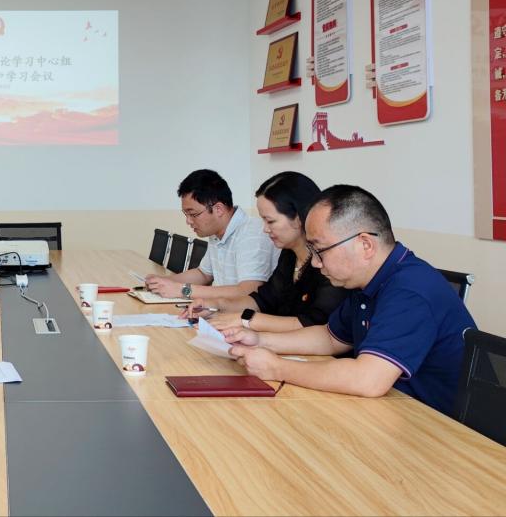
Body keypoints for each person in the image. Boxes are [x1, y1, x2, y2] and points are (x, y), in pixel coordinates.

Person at [224, 185, 477, 414]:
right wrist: (261, 340)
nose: (315, 263)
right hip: (390, 409)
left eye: (320, 250)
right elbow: (331, 338)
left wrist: (276, 367)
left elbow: (368, 379)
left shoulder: (411, 290)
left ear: (365, 245)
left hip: (434, 424)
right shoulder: (366, 280)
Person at [181, 172, 348, 332]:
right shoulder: (289, 254)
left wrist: (246, 320)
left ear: (298, 218)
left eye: (270, 221)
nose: (265, 229)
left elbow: (316, 324)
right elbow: (263, 300)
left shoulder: (329, 263)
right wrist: (215, 305)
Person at [146, 169, 279, 301]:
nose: (188, 221)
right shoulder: (216, 232)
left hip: (243, 313)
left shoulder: (252, 233)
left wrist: (183, 290)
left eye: (193, 214)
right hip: (221, 309)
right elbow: (203, 274)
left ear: (218, 209)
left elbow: (248, 291)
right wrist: (164, 282)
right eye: (186, 214)